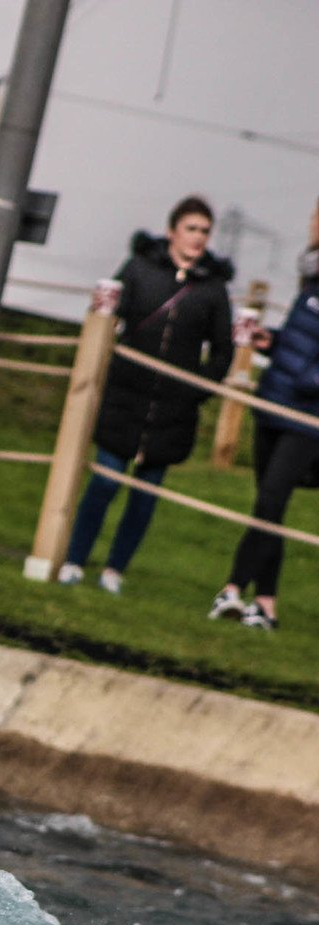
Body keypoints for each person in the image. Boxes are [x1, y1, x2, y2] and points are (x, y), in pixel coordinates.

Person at [59, 196, 234, 594]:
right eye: (191, 228)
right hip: (125, 398)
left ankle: (115, 571)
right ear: (172, 231)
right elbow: (108, 317)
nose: (198, 238)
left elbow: (223, 350)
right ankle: (74, 560)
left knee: (144, 499)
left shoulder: (213, 290)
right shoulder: (140, 270)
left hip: (172, 412)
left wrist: (196, 390)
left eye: (205, 231)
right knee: (104, 483)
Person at [209, 204, 319, 631]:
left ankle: (233, 590)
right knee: (267, 507)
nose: (313, 223)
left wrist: (308, 381)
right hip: (274, 402)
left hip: (307, 416)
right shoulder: (309, 278)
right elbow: (297, 343)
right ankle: (267, 605)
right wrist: (267, 340)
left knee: (270, 501)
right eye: (313, 216)